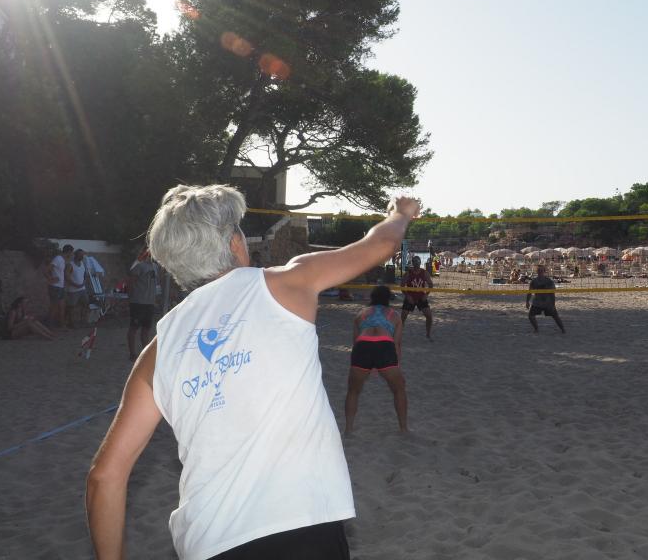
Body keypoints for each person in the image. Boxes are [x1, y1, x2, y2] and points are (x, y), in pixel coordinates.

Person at [86, 184, 420, 560]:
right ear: (234, 243)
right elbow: (381, 244)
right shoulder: (286, 283)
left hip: (208, 542)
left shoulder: (158, 348)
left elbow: (104, 476)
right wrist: (401, 213)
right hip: (301, 526)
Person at [344, 285, 407, 434]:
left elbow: (355, 343)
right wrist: (395, 364)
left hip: (362, 346)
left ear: (372, 297)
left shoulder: (360, 314)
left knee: (353, 391)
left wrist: (367, 364)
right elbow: (397, 344)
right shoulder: (395, 315)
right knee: (399, 389)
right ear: (388, 299)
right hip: (384, 345)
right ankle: (403, 429)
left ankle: (348, 429)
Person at [126, 250, 159, 361]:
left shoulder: (155, 267)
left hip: (149, 303)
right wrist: (130, 297)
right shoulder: (139, 266)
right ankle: (132, 353)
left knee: (146, 329)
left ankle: (145, 354)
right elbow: (131, 282)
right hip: (138, 302)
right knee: (134, 328)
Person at [400, 255, 434, 340]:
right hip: (410, 297)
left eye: (418, 263)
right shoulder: (408, 273)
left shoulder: (424, 273)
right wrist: (407, 296)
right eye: (415, 263)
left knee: (429, 316)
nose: (417, 265)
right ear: (413, 263)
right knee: (403, 317)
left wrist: (426, 294)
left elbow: (431, 285)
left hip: (421, 297)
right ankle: (399, 334)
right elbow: (402, 286)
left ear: (420, 263)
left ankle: (428, 335)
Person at [526, 265, 566, 334]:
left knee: (555, 316)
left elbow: (552, 294)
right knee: (530, 316)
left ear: (544, 271)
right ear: (537, 271)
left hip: (547, 302)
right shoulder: (534, 281)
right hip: (537, 302)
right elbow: (530, 292)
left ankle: (563, 329)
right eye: (539, 270)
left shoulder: (549, 281)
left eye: (541, 270)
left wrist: (553, 304)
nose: (540, 272)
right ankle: (536, 329)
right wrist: (527, 302)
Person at [47, 244, 73, 328]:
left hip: (60, 287)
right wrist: (51, 278)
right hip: (55, 287)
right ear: (68, 252)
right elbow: (47, 269)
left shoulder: (63, 260)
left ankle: (62, 325)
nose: (71, 255)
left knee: (62, 307)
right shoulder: (58, 259)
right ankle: (50, 325)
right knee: (54, 307)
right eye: (71, 253)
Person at [66, 249, 89, 327]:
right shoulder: (70, 265)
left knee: (85, 304)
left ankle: (83, 321)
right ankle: (71, 323)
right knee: (71, 306)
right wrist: (75, 284)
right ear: (76, 255)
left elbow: (85, 275)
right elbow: (67, 276)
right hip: (73, 290)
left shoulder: (82, 263)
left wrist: (84, 282)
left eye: (82, 255)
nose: (82, 256)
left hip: (82, 289)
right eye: (80, 255)